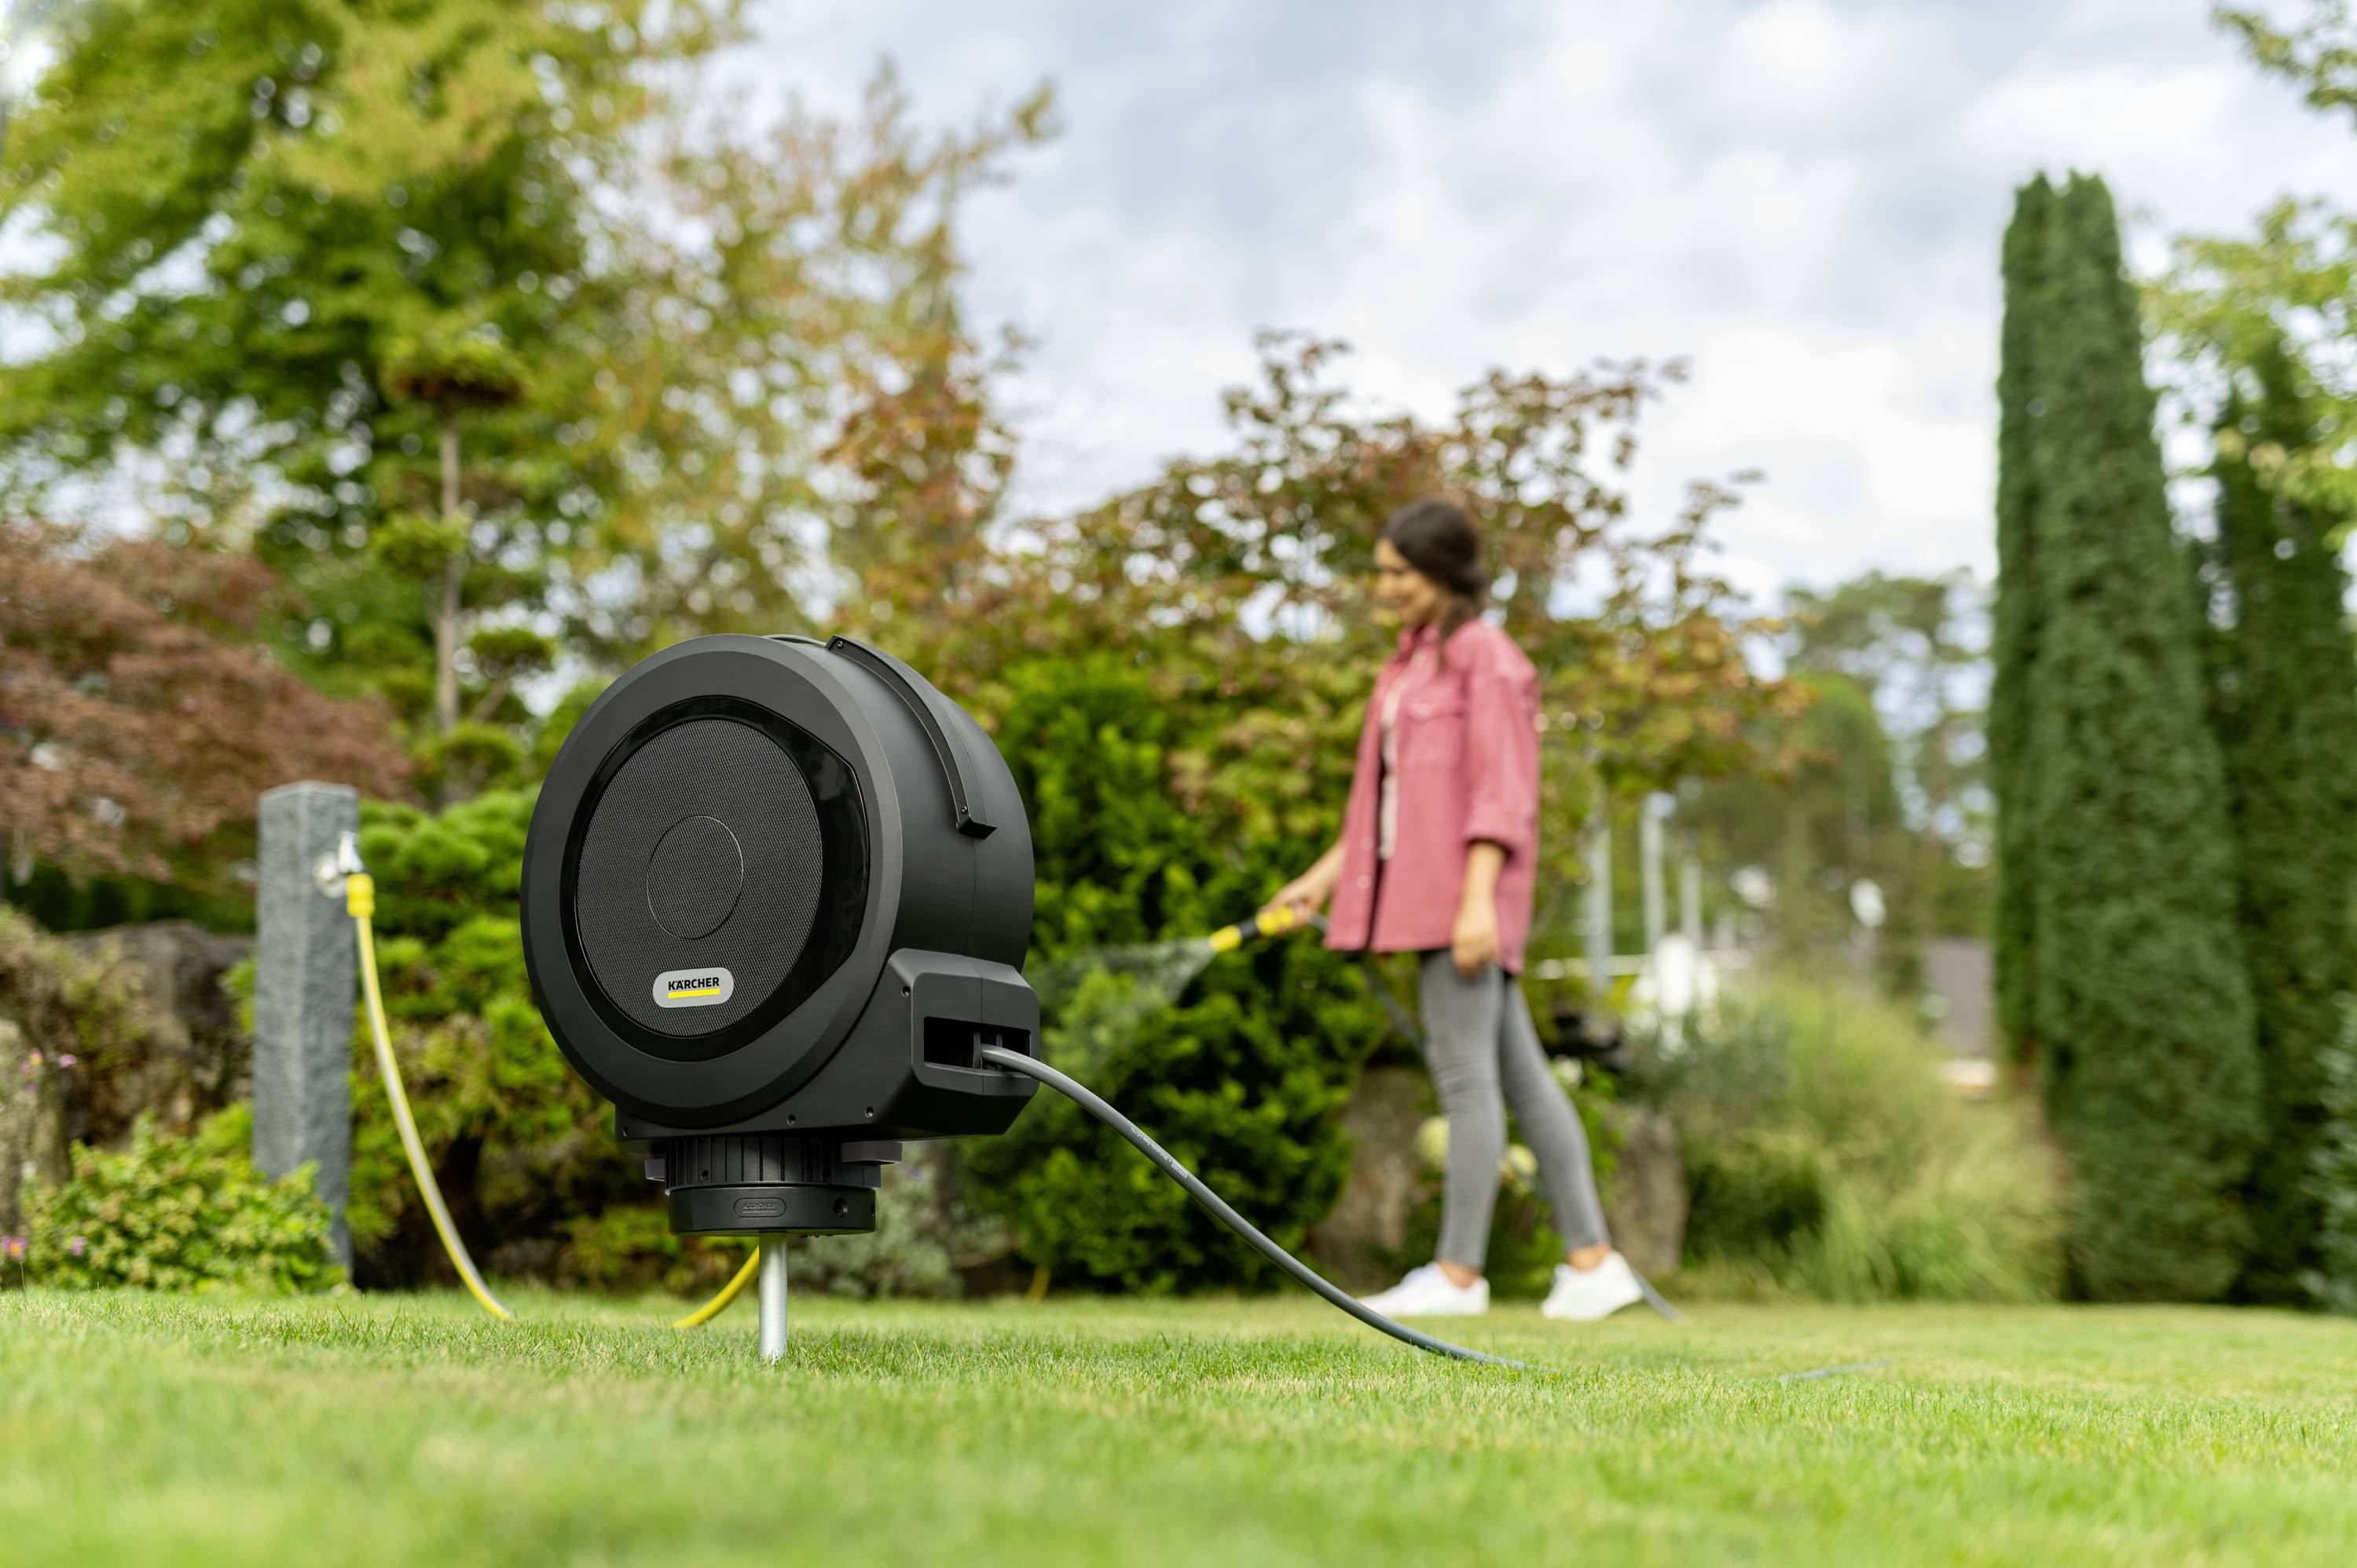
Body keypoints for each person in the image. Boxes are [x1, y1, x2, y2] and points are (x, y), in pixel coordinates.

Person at [1266, 497, 1642, 1321]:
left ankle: (1459, 1273)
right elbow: (1390, 802)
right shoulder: (1410, 668)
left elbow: (1499, 794)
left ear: (1441, 570)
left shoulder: (1488, 660)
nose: (1384, 588)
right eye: (1381, 573)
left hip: (1459, 905)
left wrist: (1479, 903)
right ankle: (1592, 1259)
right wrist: (1322, 878)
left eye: (1398, 573)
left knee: (1467, 1079)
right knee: (1521, 1078)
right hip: (1427, 896)